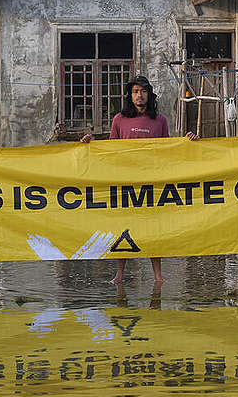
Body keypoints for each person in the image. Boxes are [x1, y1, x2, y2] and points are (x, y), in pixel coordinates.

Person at [81, 76, 197, 283]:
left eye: (143, 91)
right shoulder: (119, 119)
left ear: (149, 95)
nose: (139, 95)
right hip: (125, 182)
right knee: (122, 228)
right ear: (130, 95)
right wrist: (91, 144)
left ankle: (158, 275)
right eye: (135, 91)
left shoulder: (159, 120)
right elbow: (110, 150)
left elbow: (168, 150)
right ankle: (119, 275)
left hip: (151, 182)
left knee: (153, 228)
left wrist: (187, 143)